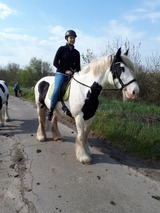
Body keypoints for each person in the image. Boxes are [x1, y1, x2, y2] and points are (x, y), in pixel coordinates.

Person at [46, 30, 81, 121]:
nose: (72, 39)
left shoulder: (76, 53)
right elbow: (55, 63)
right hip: (61, 73)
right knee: (57, 89)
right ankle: (51, 110)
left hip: (72, 74)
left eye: (74, 38)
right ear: (67, 39)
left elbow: (77, 66)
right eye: (71, 38)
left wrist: (76, 71)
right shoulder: (61, 49)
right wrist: (65, 71)